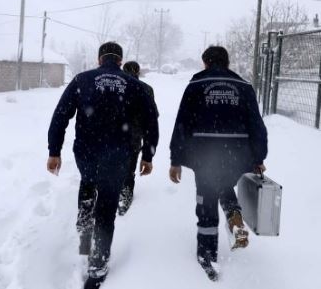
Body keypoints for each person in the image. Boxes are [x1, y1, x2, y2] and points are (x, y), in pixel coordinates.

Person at [47, 42, 159, 289]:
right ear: (120, 60)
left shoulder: (82, 80)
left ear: (100, 59)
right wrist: (148, 155)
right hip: (118, 154)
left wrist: (54, 151)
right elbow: (152, 121)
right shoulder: (135, 85)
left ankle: (85, 231)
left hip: (86, 152)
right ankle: (97, 266)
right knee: (107, 205)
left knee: (88, 182)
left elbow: (60, 115)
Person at [169, 46, 268, 281]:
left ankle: (207, 256)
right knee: (223, 184)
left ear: (206, 62)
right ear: (227, 62)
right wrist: (258, 158)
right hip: (238, 153)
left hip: (205, 153)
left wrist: (176, 159)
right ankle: (234, 217)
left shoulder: (196, 84)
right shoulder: (243, 86)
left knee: (207, 201)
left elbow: (182, 122)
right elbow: (256, 125)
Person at [118, 61, 158, 216]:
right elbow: (152, 115)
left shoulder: (116, 85)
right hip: (135, 134)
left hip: (112, 133)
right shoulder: (146, 89)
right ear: (138, 72)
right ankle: (125, 195)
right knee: (130, 167)